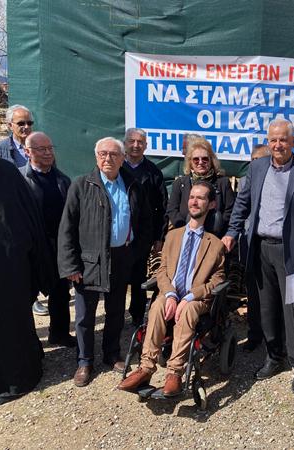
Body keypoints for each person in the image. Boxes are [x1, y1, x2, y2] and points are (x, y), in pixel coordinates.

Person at [222, 118, 294, 395]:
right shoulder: (257, 168)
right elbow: (243, 203)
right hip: (260, 249)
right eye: (273, 140)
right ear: (267, 142)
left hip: (293, 253)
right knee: (265, 307)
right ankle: (274, 356)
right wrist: (232, 231)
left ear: (293, 142)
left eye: (283, 140)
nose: (277, 145)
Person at [58, 137, 152, 387]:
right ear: (96, 157)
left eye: (113, 154)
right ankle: (84, 361)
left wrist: (135, 253)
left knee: (116, 310)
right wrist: (70, 265)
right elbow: (67, 228)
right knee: (85, 315)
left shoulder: (133, 185)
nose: (107, 158)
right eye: (103, 154)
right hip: (90, 260)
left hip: (122, 257)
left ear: (122, 159)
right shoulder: (81, 185)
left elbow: (145, 222)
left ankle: (112, 354)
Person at [117, 182, 226, 395]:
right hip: (171, 293)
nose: (194, 201)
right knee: (157, 306)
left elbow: (217, 279)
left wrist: (190, 297)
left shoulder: (215, 244)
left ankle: (175, 373)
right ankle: (146, 368)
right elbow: (162, 270)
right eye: (192, 197)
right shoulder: (173, 236)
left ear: (211, 204)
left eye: (201, 198)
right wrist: (169, 294)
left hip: (196, 300)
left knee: (188, 310)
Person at [0, 150, 53, 405]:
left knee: (9, 321)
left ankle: (14, 374)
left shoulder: (5, 171)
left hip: (8, 270)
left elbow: (30, 219)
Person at [0, 104, 48, 316]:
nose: (26, 127)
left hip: (36, 213)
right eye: (21, 123)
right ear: (9, 125)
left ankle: (35, 295)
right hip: (11, 217)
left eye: (29, 123)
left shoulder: (40, 145)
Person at [20, 132, 76, 347]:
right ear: (28, 152)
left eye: (50, 148)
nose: (47, 153)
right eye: (41, 149)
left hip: (58, 246)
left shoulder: (63, 180)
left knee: (60, 292)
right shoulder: (20, 180)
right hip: (31, 248)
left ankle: (59, 333)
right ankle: (28, 342)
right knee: (27, 294)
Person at [123, 128, 169, 327]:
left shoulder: (153, 172)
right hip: (117, 235)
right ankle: (114, 316)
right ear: (124, 143)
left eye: (140, 142)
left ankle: (137, 316)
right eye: (132, 141)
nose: (136, 145)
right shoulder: (115, 167)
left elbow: (162, 206)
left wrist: (159, 236)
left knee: (139, 277)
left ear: (146, 146)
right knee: (116, 278)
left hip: (142, 234)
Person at [166, 137, 235, 237]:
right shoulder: (180, 184)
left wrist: (218, 228)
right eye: (196, 159)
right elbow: (172, 210)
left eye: (205, 159)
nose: (200, 162)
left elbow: (230, 210)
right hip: (185, 234)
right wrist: (186, 229)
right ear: (190, 162)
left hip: (215, 236)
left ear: (211, 160)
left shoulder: (223, 183)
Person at [238, 143, 270, 352]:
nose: (256, 164)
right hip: (250, 244)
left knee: (273, 295)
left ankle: (274, 337)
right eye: (253, 160)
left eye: (261, 160)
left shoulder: (277, 180)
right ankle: (255, 334)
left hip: (272, 244)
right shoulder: (244, 182)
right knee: (253, 293)